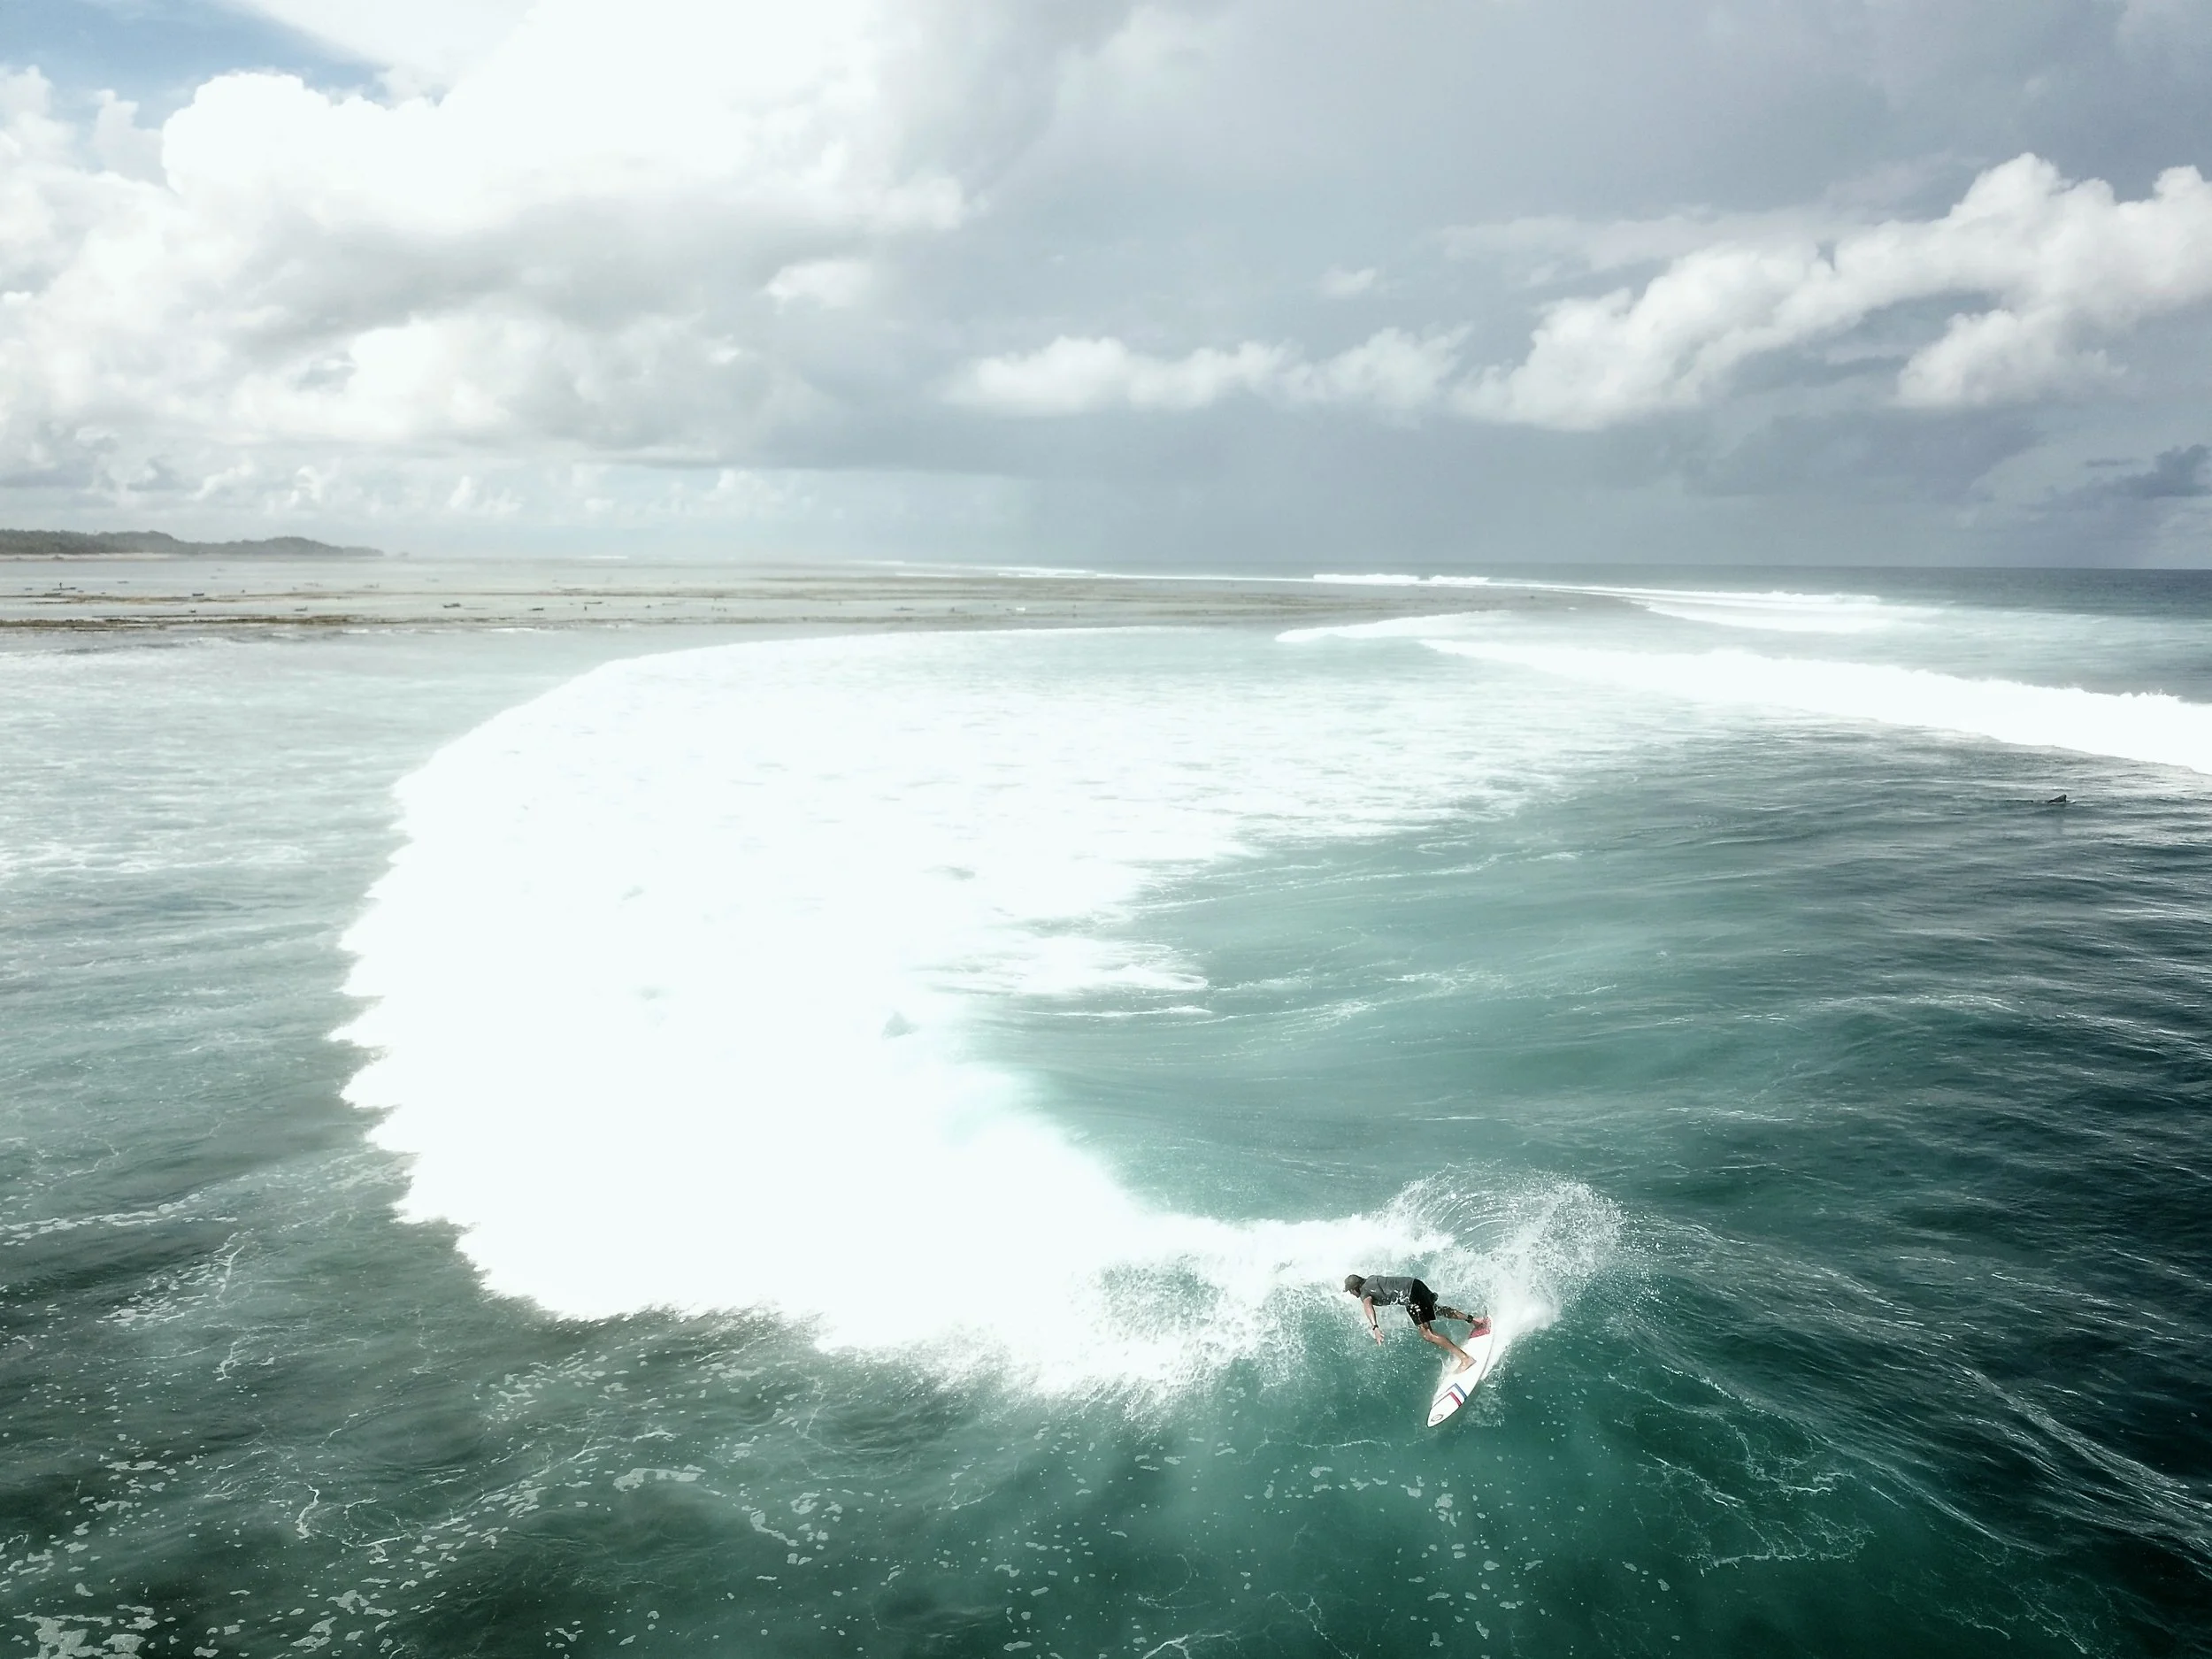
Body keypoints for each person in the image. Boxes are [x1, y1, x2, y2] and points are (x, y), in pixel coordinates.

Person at [1344, 1273, 1490, 1371]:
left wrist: (1375, 1327)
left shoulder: (1364, 1292)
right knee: (1437, 1310)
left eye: (1350, 1291)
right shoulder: (1371, 1279)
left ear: (1355, 1288)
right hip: (1416, 1284)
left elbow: (1367, 1306)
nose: (1351, 1294)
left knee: (1427, 1334)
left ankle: (1465, 1359)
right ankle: (1476, 1321)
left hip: (1410, 1295)